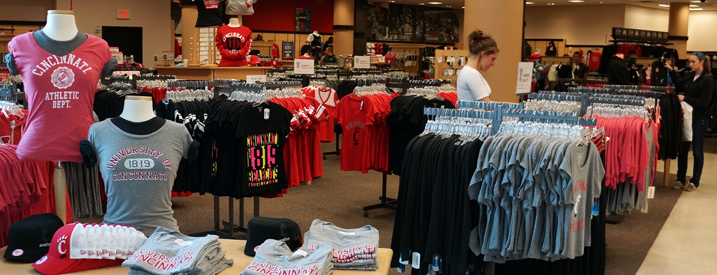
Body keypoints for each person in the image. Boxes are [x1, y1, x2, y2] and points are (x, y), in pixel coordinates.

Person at [666, 52, 715, 192]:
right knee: (683, 150)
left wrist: (685, 98)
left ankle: (694, 181)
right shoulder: (691, 76)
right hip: (687, 118)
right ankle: (680, 179)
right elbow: (680, 83)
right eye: (689, 61)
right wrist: (672, 71)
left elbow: (704, 102)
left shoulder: (708, 80)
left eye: (693, 61)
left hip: (699, 119)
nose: (690, 64)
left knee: (697, 151)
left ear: (701, 62)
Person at [457, 29, 498, 102]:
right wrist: (513, 107)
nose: (493, 64)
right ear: (483, 54)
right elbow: (487, 106)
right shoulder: (471, 74)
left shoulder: (468, 72)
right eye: (492, 59)